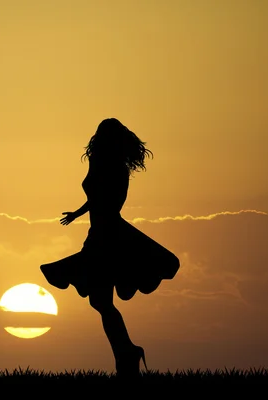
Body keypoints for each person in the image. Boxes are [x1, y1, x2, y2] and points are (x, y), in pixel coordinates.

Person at [40, 118, 180, 379]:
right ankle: (126, 353)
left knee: (100, 300)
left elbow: (108, 200)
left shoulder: (118, 167)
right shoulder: (99, 162)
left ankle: (126, 354)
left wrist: (94, 216)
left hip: (110, 233)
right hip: (99, 231)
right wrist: (77, 213)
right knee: (100, 301)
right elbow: (94, 198)